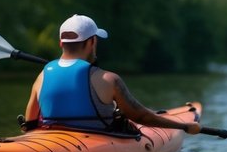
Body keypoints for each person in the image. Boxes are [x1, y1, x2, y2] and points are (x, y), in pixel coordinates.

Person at [24, 14, 201, 134]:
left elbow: (29, 124)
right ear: (92, 41)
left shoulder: (42, 77)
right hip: (93, 145)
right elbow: (141, 117)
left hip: (50, 142)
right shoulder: (108, 79)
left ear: (61, 43)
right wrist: (184, 126)